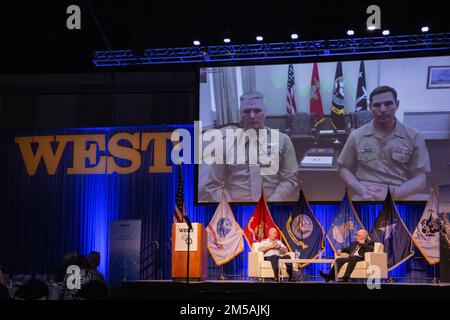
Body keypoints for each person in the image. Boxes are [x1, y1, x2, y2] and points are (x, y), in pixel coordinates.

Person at [200, 91, 299, 202]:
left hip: (272, 206)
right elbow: (214, 185)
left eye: (257, 111)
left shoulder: (283, 141)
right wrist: (231, 207)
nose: (252, 116)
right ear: (240, 114)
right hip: (236, 209)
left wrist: (274, 202)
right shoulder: (225, 145)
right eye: (246, 111)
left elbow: (290, 179)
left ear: (265, 112)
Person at [338, 86, 431, 201]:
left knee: (431, 205)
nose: (382, 109)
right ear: (370, 107)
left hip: (400, 193)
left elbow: (421, 178)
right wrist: (361, 189)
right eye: (377, 105)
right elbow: (344, 169)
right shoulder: (356, 136)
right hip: (367, 194)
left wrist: (392, 194)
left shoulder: (414, 136)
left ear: (397, 104)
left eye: (388, 104)